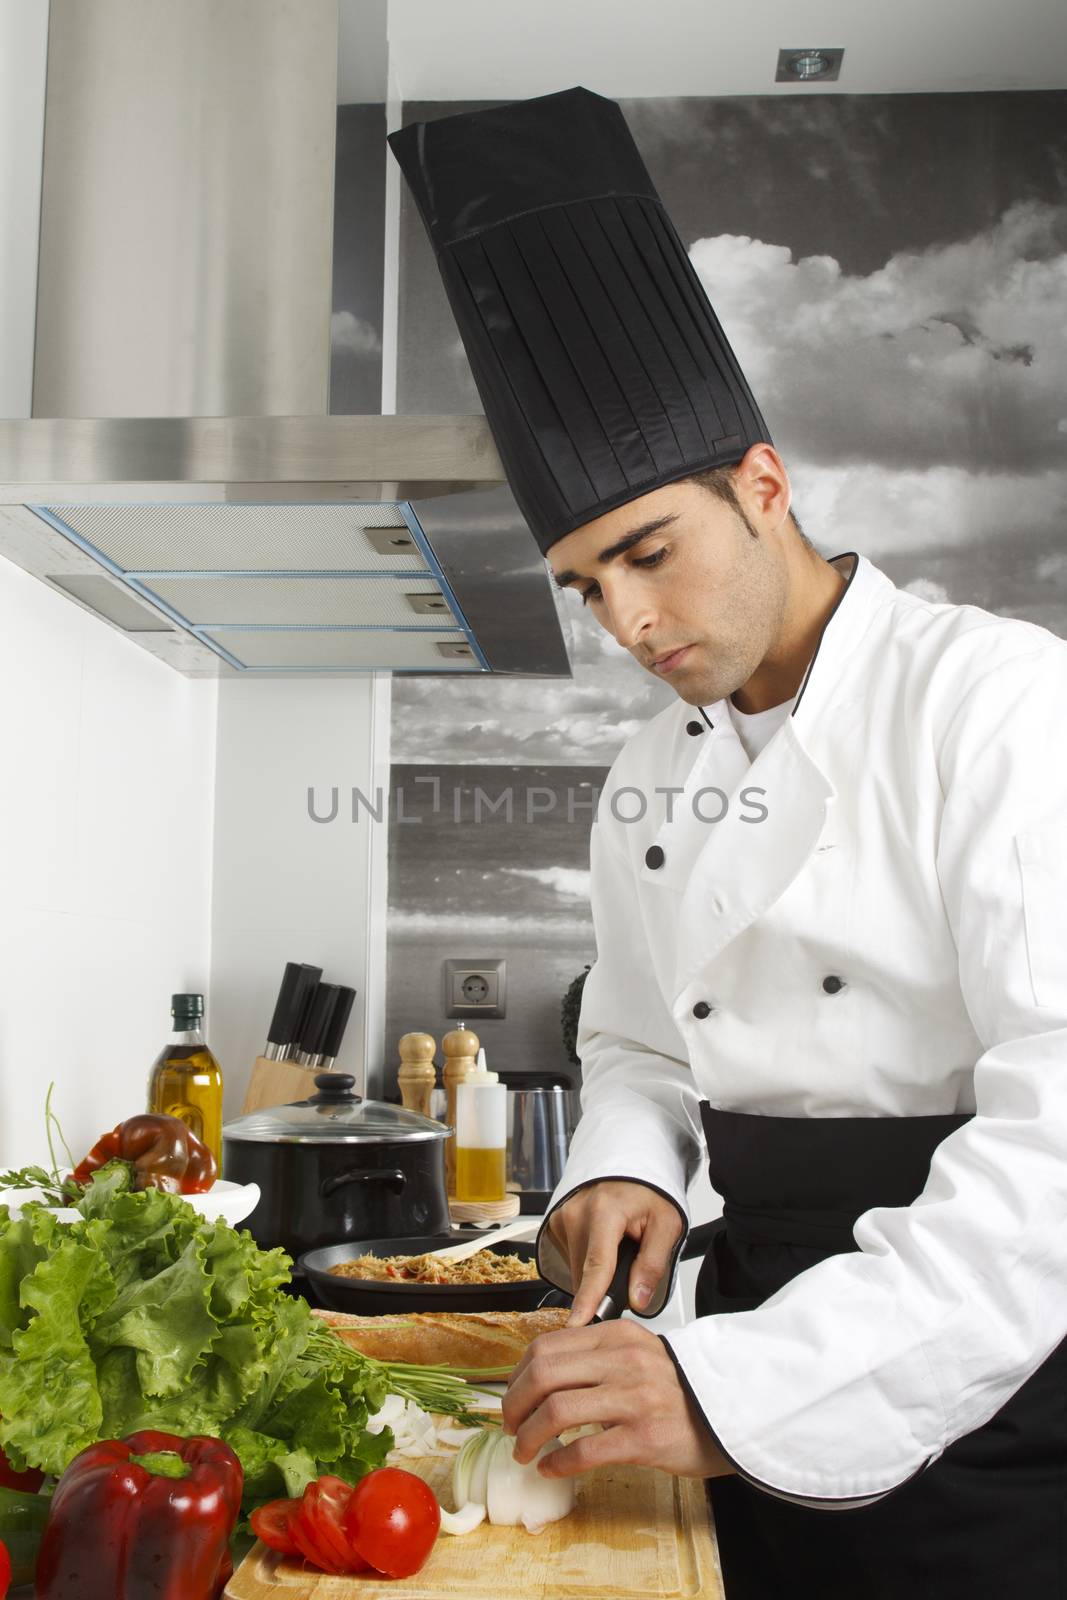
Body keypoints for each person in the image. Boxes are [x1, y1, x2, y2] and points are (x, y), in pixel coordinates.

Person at [391, 88, 1067, 1598]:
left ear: (764, 486)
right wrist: (622, 1177)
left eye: (649, 553)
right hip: (744, 1332)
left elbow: (1058, 1145)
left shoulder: (999, 701)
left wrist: (733, 1389)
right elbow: (635, 1042)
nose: (628, 623)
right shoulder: (647, 764)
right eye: (584, 586)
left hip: (981, 1381)